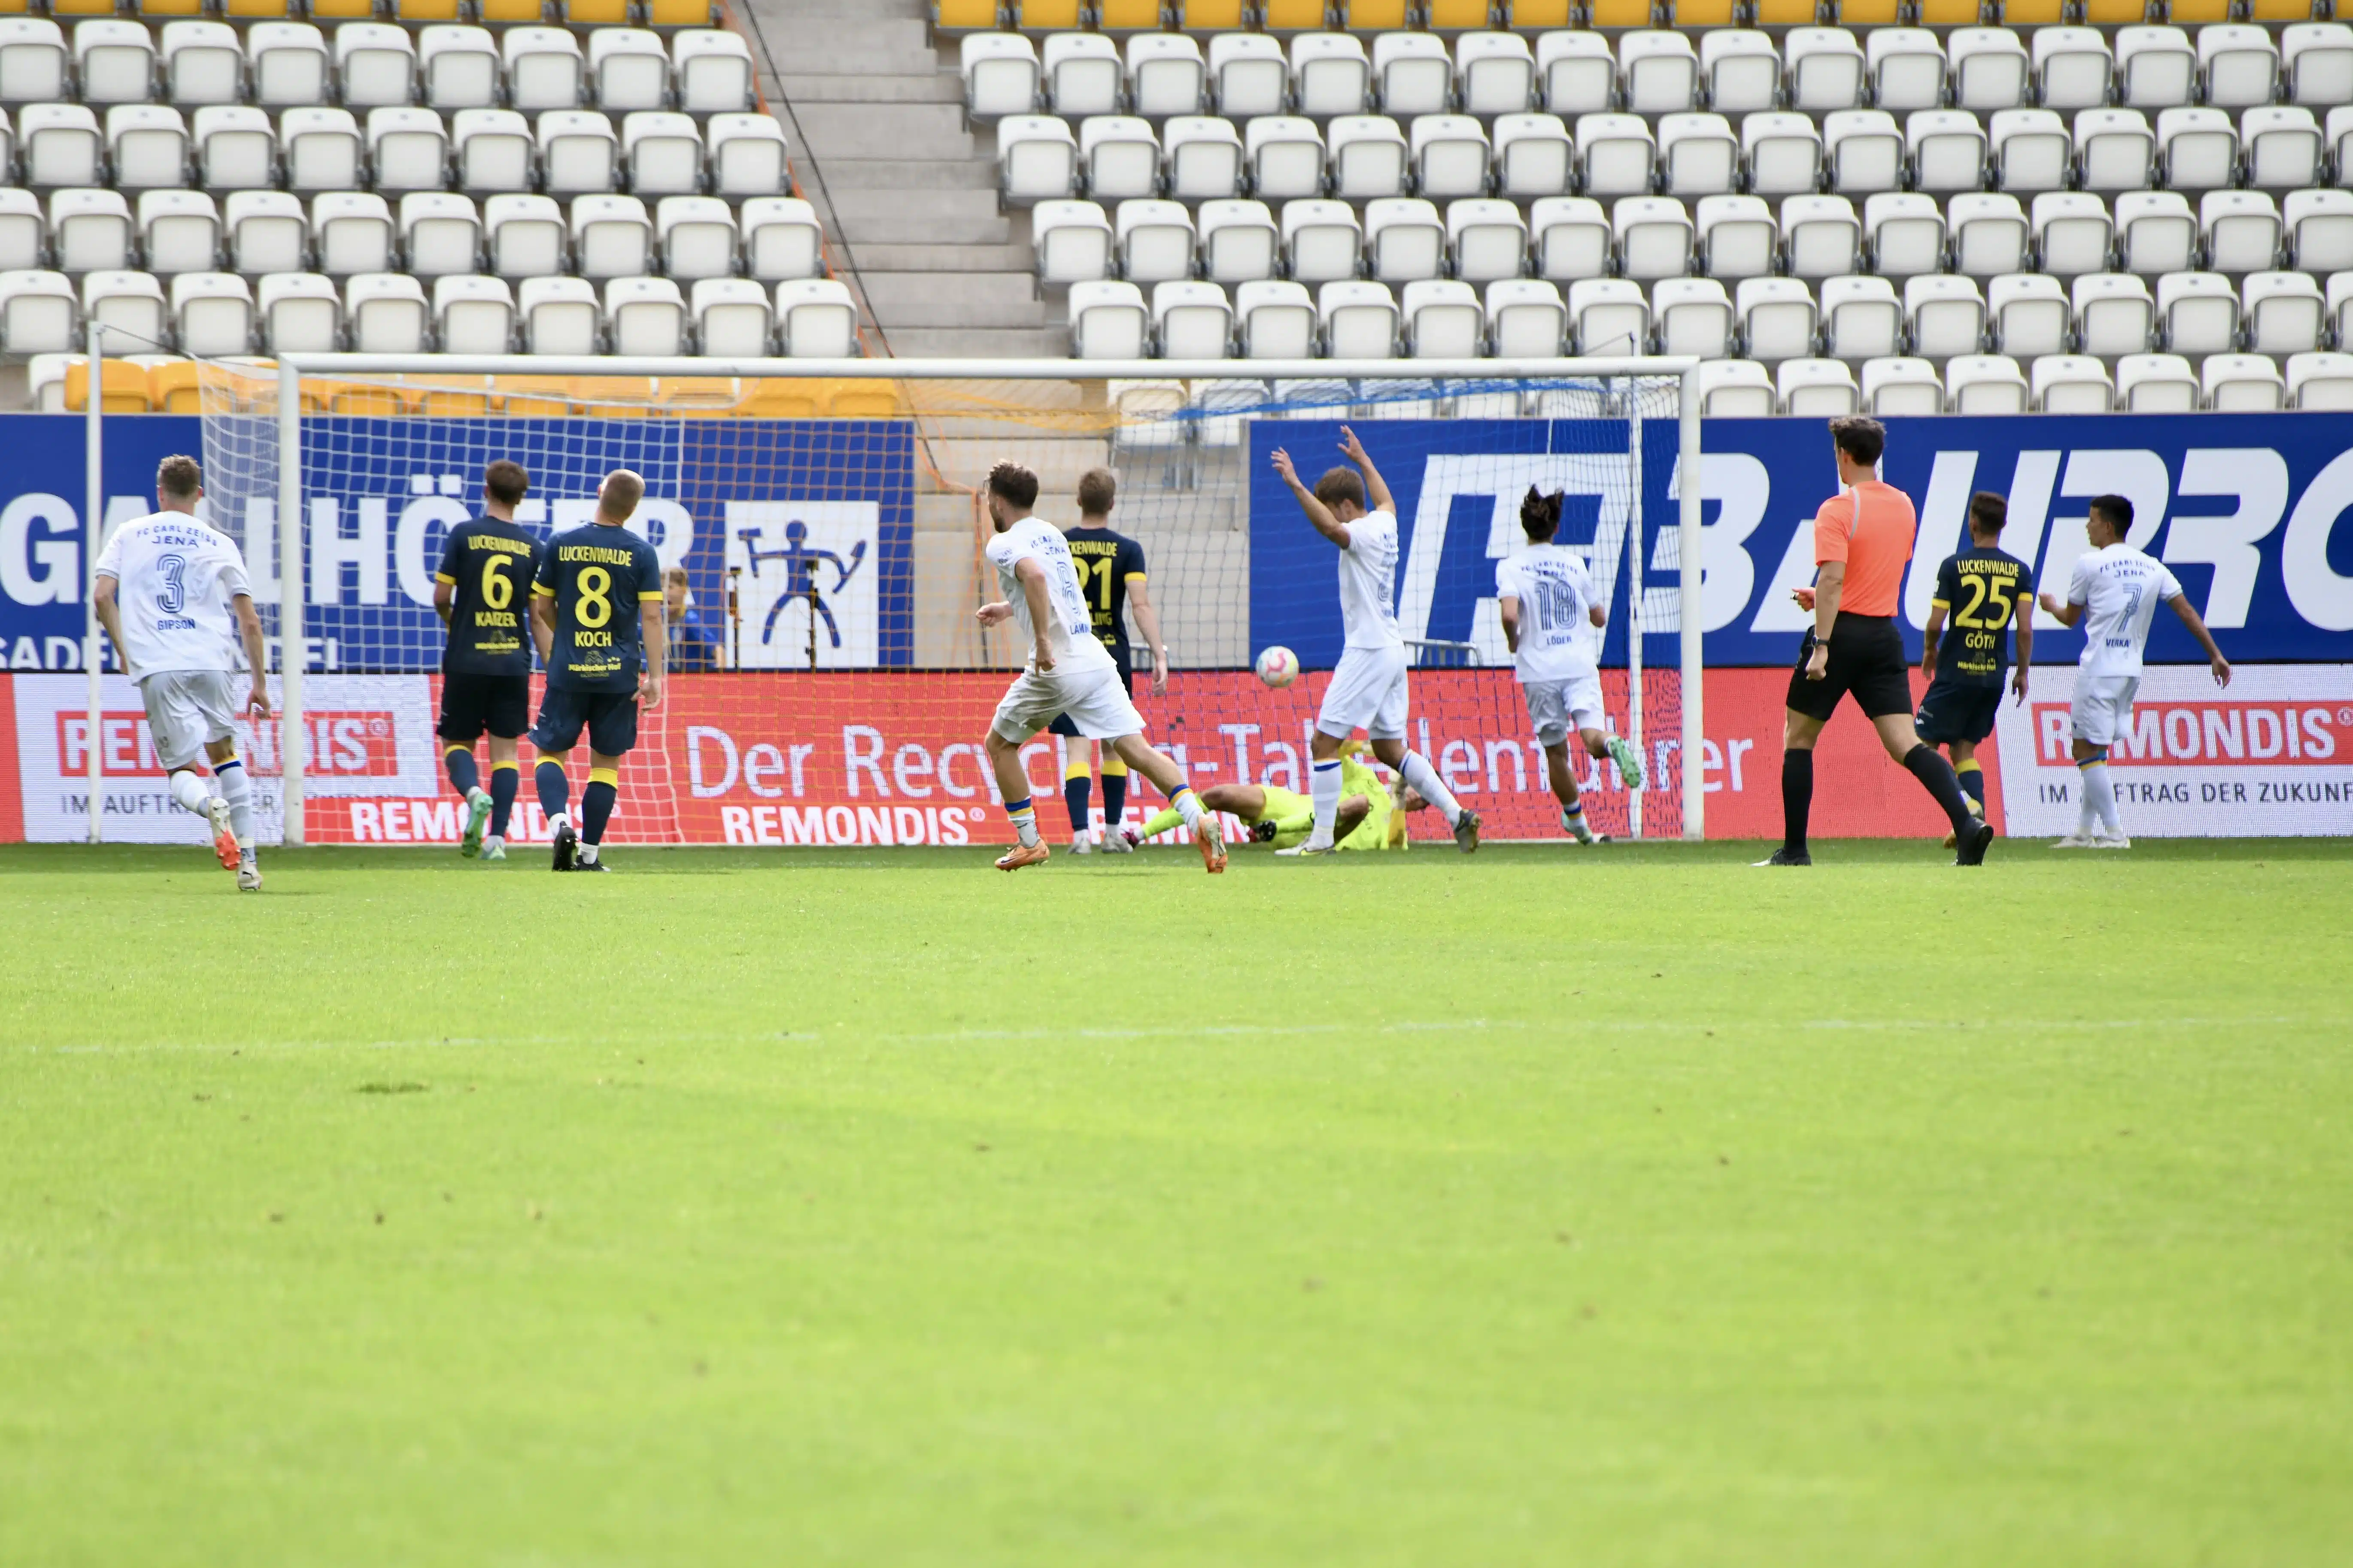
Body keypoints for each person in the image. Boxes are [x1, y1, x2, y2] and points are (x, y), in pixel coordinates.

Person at [1763, 416, 1993, 867]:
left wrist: (1823, 645)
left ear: (1843, 456)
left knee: (1799, 737)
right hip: (1884, 636)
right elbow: (1875, 571)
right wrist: (1829, 598)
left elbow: (1833, 578)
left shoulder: (1839, 508)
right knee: (1906, 743)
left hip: (1842, 635)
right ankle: (1966, 823)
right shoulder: (1904, 505)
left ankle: (1794, 850)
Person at [975, 461, 1224, 873]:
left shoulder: (1001, 543)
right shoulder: (1050, 533)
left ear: (998, 502)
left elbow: (1035, 578)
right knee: (1134, 749)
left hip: (1059, 664)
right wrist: (1007, 608)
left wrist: (1040, 643)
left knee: (999, 745)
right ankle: (1200, 819)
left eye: (988, 499)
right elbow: (1054, 587)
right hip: (1097, 659)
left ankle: (1028, 841)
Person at [1267, 426, 1479, 856]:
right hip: (1391, 648)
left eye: (1336, 510)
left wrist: (1295, 484)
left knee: (1323, 744)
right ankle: (1458, 814)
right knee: (1389, 747)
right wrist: (1364, 460)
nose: (1335, 517)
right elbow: (1386, 499)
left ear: (1346, 505)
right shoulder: (1386, 522)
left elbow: (1331, 529)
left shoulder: (1361, 533)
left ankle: (1322, 839)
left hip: (1367, 650)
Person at [91, 454, 269, 891]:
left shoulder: (129, 533)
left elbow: (101, 596)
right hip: (211, 660)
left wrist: (123, 648)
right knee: (224, 753)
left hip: (159, 662)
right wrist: (260, 683)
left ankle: (209, 805)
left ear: (159, 492)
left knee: (181, 772)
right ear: (200, 495)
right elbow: (249, 620)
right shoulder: (218, 540)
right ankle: (249, 863)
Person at [2037, 494, 2231, 849]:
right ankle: (2083, 832)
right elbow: (2186, 611)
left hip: (2098, 669)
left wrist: (2049, 605)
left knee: (2083, 750)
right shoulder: (2152, 566)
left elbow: (2068, 619)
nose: (2087, 525)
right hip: (2130, 671)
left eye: (2092, 519)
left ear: (2107, 526)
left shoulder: (2089, 564)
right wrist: (2215, 654)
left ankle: (2115, 833)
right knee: (2095, 749)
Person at [527, 468, 665, 872]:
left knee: (550, 751)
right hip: (619, 674)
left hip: (569, 668)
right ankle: (589, 854)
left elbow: (542, 607)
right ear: (634, 507)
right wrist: (655, 677)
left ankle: (560, 824)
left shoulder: (561, 542)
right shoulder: (641, 552)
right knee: (605, 763)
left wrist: (567, 636)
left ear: (600, 492)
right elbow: (653, 616)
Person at [1495, 486, 1645, 844]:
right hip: (1578, 664)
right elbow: (1599, 617)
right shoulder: (1574, 564)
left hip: (1539, 670)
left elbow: (1509, 613)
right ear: (1556, 528)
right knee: (1592, 737)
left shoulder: (1510, 566)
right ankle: (1612, 746)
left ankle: (1577, 822)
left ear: (1524, 527)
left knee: (1556, 751)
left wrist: (1513, 640)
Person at [1053, 467, 1169, 855]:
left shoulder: (1060, 545)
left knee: (1076, 747)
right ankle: (1114, 833)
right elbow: (1140, 604)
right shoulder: (1128, 549)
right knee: (1114, 746)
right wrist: (1157, 652)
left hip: (1070, 656)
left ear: (1079, 501)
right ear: (1113, 504)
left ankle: (1080, 837)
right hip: (1112, 658)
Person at [431, 459, 540, 861]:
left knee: (456, 741)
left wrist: (454, 622)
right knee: (506, 753)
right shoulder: (532, 547)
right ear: (522, 498)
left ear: (484, 491)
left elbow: (442, 598)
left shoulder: (464, 535)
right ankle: (497, 841)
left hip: (467, 657)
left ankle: (474, 794)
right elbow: (538, 613)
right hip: (512, 661)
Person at [1916, 490, 2034, 849]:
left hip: (1955, 673)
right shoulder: (2020, 571)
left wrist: (1929, 650)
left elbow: (1936, 622)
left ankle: (1966, 806)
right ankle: (1976, 814)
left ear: (1973, 522)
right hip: (1992, 676)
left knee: (1918, 743)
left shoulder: (1954, 566)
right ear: (2003, 524)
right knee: (1964, 749)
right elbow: (2025, 628)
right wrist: (2022, 672)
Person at [1126, 744, 1427, 852]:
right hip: (1293, 805)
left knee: (1358, 805)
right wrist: (1377, 749)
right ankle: (1138, 835)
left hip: (1321, 837)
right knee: (1217, 794)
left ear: (1423, 805)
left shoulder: (1397, 834)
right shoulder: (1368, 779)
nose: (1414, 790)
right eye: (1414, 781)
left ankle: (1274, 830)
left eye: (1423, 793)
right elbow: (1332, 747)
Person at [664, 567, 723, 673]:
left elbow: (719, 651)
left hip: (695, 684)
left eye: (670, 587)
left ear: (684, 591)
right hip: (673, 683)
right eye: (661, 588)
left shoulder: (689, 621)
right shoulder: (660, 622)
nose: (664, 593)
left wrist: (719, 684)